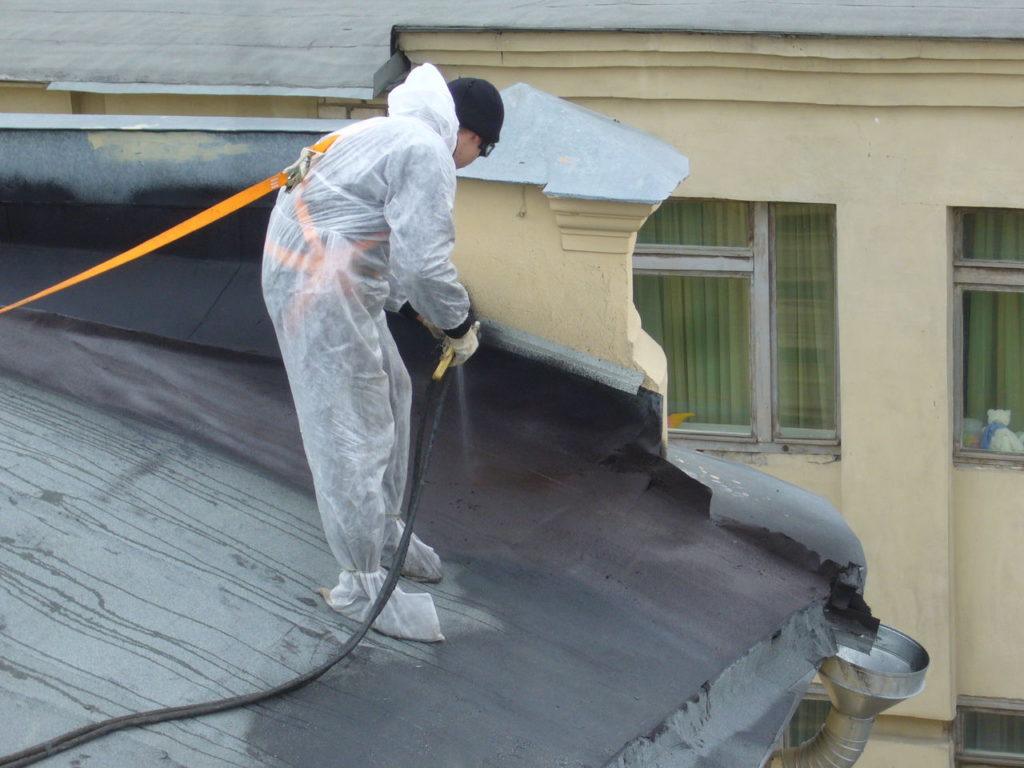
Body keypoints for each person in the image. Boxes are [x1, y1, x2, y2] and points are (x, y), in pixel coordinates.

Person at [261, 63, 504, 642]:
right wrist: (457, 321)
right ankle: (361, 582)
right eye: (484, 150)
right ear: (470, 133)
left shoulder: (380, 133)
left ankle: (387, 529)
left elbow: (365, 227)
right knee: (353, 430)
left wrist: (412, 307)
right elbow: (424, 263)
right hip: (319, 291)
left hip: (325, 277)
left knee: (393, 392)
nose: (474, 161)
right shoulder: (426, 151)